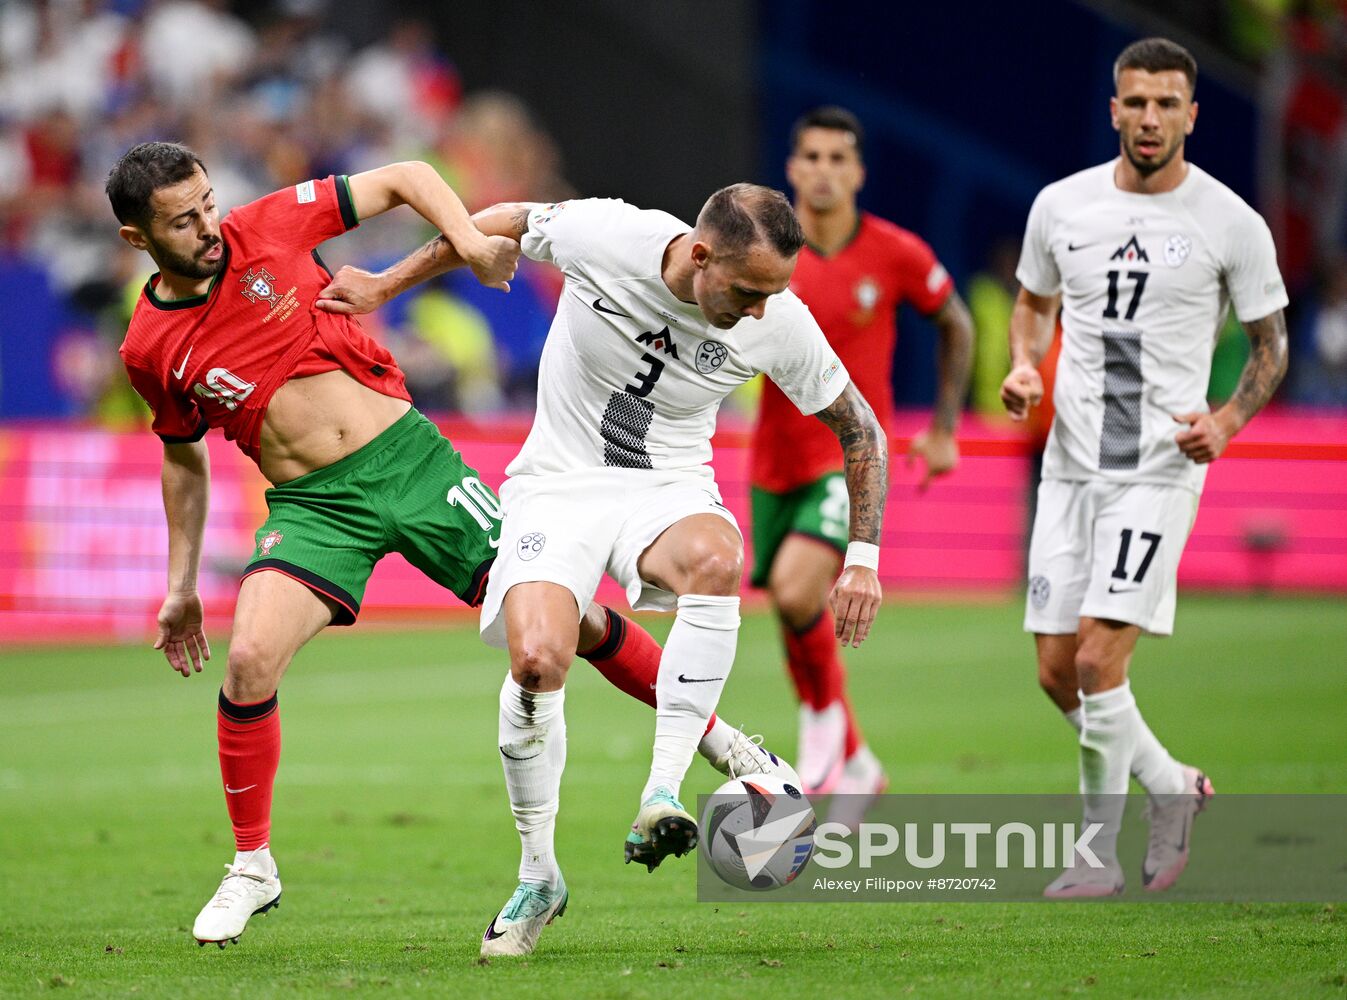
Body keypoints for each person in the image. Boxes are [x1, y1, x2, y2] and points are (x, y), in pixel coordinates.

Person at [107, 142, 778, 951]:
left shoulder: (267, 228)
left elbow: (405, 177)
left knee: (565, 622)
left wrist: (464, 238)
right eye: (183, 220)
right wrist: (181, 584)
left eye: (209, 203)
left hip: (415, 466)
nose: (208, 227)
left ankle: (717, 738)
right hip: (316, 509)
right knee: (249, 658)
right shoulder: (149, 348)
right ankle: (253, 865)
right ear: (137, 239)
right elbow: (182, 455)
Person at [320, 184, 889, 956]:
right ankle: (539, 876)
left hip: (668, 484)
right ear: (698, 254)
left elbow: (860, 429)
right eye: (748, 291)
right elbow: (502, 222)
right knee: (537, 658)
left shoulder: (777, 321)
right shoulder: (608, 235)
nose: (759, 311)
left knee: (717, 561)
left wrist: (861, 560)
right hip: (556, 482)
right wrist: (386, 283)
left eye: (772, 294)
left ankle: (660, 789)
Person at [1000, 38, 1289, 897]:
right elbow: (1031, 301)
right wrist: (1024, 362)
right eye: (1136, 102)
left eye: (1167, 103)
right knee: (1056, 672)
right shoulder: (1061, 206)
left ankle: (1094, 856)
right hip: (1069, 469)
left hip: (1157, 470)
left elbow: (1269, 345)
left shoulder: (1230, 222)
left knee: (1096, 664)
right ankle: (1170, 787)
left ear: (1192, 115)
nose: (1150, 118)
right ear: (1114, 108)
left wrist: (1228, 419)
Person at [755, 107, 973, 816]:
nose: (822, 170)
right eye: (809, 156)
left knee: (795, 591)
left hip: (844, 457)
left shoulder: (894, 252)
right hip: (773, 458)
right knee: (792, 613)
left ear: (857, 172)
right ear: (791, 169)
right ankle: (856, 757)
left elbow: (955, 322)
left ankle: (820, 729)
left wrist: (942, 427)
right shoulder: (763, 252)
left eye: (836, 158)